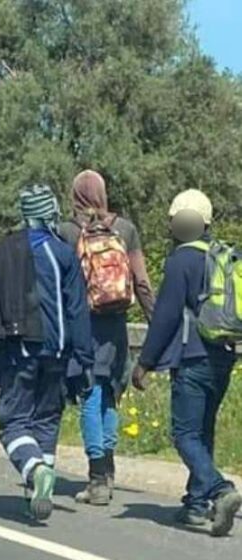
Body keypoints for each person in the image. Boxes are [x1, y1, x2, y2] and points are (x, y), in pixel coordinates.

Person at [0, 184, 94, 522]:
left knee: (11, 421)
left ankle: (34, 470)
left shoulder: (5, 250)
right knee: (47, 419)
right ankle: (41, 489)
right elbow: (77, 310)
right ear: (50, 211)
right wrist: (85, 360)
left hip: (19, 349)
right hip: (58, 353)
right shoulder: (64, 252)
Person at [132, 189, 241, 537]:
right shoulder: (224, 255)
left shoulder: (181, 259)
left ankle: (220, 490)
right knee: (202, 430)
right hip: (224, 355)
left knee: (183, 433)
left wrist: (144, 362)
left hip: (192, 356)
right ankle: (195, 504)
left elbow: (165, 317)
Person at [59, 170, 155, 505]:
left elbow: (59, 288)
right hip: (116, 326)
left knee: (89, 396)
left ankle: (97, 478)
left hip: (84, 326)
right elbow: (141, 283)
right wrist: (157, 326)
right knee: (110, 395)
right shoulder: (124, 229)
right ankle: (109, 471)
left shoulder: (68, 232)